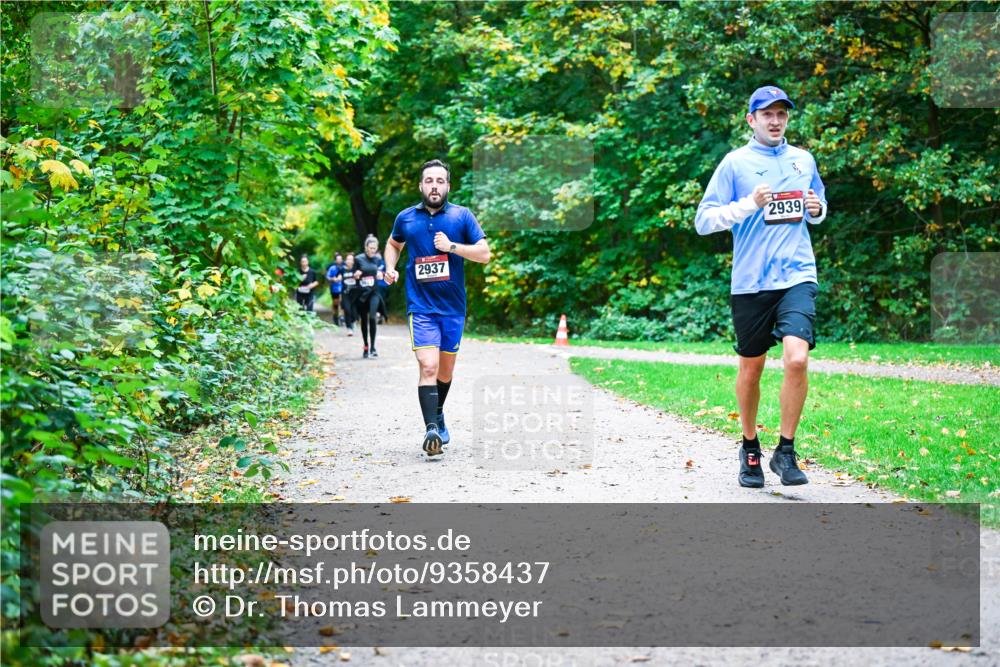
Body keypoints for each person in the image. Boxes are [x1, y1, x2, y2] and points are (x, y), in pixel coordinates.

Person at [694, 85, 828, 488]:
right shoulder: (735, 163)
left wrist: (817, 209)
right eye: (766, 114)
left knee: (797, 359)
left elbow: (818, 203)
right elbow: (704, 221)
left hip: (797, 275)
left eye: (781, 114)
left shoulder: (803, 159)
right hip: (751, 282)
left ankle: (785, 452)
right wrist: (749, 203)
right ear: (751, 120)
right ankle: (750, 447)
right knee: (751, 369)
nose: (775, 121)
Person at [383, 159, 490, 457]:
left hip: (453, 308)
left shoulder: (462, 216)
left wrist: (452, 247)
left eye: (440, 181)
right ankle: (432, 429)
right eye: (429, 180)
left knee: (445, 371)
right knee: (428, 366)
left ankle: (438, 412)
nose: (434, 186)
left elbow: (484, 254)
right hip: (421, 306)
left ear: (448, 186)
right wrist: (389, 267)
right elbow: (393, 244)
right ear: (420, 185)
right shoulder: (406, 218)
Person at [353, 236, 384, 359]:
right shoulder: (358, 259)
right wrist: (356, 275)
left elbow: (379, 272)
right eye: (371, 248)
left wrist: (380, 275)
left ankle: (373, 347)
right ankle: (366, 345)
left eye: (375, 248)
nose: (372, 250)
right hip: (362, 294)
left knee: (372, 317)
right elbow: (354, 275)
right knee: (364, 321)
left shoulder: (377, 260)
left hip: (374, 292)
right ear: (366, 247)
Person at [326, 253, 344, 326]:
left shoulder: (344, 267)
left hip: (343, 288)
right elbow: (328, 276)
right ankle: (335, 316)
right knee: (335, 304)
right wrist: (333, 279)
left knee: (343, 303)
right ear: (335, 260)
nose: (339, 260)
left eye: (340, 259)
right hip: (334, 288)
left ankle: (342, 317)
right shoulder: (332, 268)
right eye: (338, 259)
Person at [341, 253, 357, 336]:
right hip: (345, 293)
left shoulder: (356, 269)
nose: (349, 261)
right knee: (347, 310)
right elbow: (335, 277)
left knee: (354, 311)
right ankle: (349, 328)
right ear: (345, 261)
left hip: (355, 293)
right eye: (348, 259)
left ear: (353, 261)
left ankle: (353, 321)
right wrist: (336, 278)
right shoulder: (342, 269)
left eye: (351, 259)